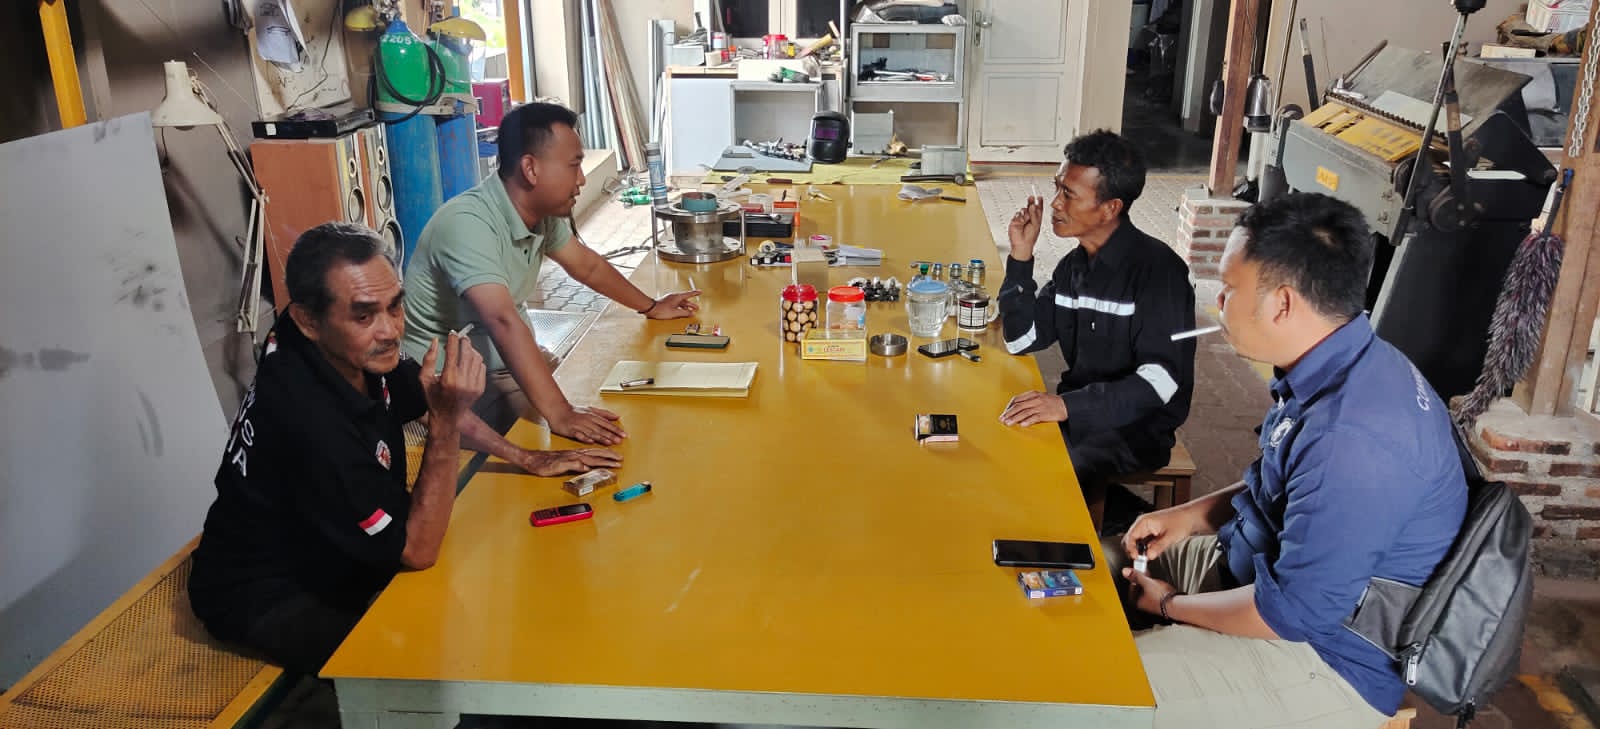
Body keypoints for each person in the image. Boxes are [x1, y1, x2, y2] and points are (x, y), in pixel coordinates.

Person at [189, 222, 621, 675]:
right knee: (424, 668)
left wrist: (525, 456)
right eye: (363, 316)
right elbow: (417, 550)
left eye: (395, 306)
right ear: (308, 320)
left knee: (486, 593)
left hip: (327, 542)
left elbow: (427, 400)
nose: (390, 330)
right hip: (267, 590)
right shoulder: (310, 422)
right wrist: (446, 422)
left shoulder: (335, 344)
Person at [1111, 193, 1467, 727]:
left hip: (1321, 655)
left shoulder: (1355, 436)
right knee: (1094, 568)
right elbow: (1281, 483)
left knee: (1096, 688)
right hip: (1252, 572)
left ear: (1282, 303)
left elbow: (1290, 615)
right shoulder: (1340, 360)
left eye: (1229, 289)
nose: (1218, 302)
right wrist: (1187, 517)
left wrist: (1168, 606)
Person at [402, 102, 699, 443]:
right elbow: (503, 321)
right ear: (530, 169)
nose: (582, 179)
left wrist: (651, 306)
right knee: (585, 442)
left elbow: (586, 266)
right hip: (451, 383)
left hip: (502, 366)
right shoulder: (467, 225)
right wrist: (560, 413)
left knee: (610, 403)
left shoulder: (541, 213)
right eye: (574, 165)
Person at [997, 130, 1196, 528]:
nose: (1056, 203)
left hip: (1138, 427)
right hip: (1079, 414)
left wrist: (1069, 406)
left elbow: (1159, 382)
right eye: (1058, 187)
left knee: (1048, 471)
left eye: (1069, 194)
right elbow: (1021, 338)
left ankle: (1108, 533)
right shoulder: (1073, 268)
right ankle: (1114, 515)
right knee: (1006, 440)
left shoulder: (1159, 273)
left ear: (1110, 208)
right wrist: (1021, 255)